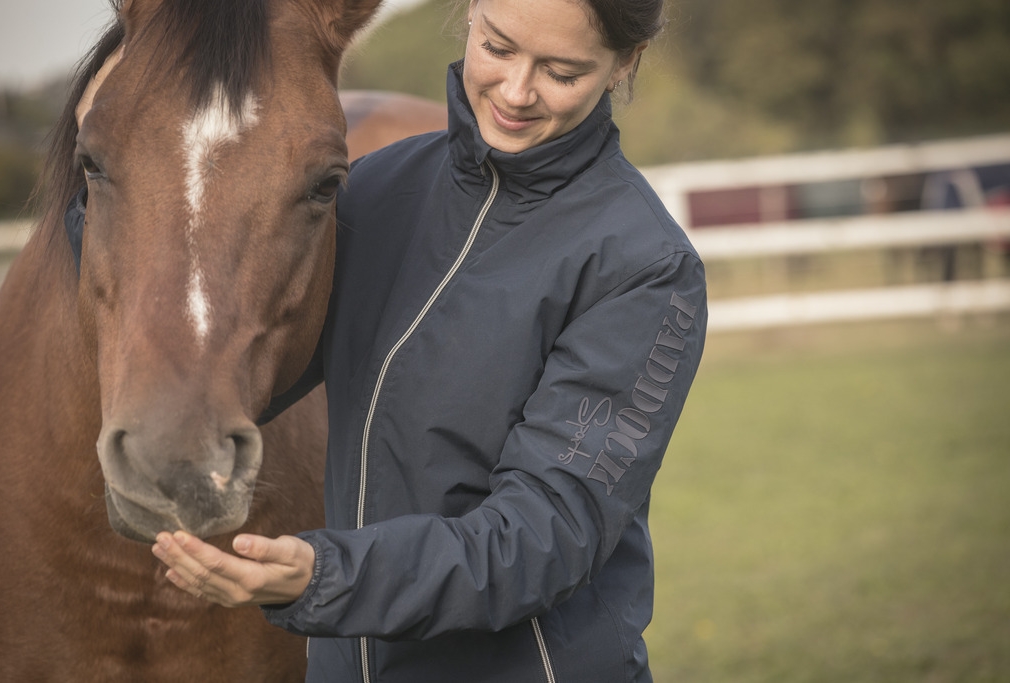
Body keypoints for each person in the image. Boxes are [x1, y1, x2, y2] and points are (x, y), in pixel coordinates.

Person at [150, 0, 707, 680]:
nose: (516, 91)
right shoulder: (376, 191)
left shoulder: (643, 264)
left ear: (625, 63)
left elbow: (541, 541)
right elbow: (244, 369)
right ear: (472, 13)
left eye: (561, 71)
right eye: (498, 47)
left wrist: (325, 576)